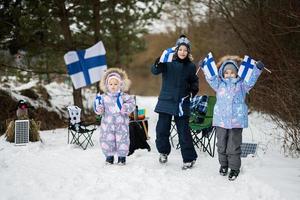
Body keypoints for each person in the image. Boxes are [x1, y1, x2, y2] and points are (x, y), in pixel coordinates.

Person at [201, 56, 264, 180]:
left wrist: (257, 69)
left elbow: (251, 80)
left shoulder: (242, 85)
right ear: (222, 73)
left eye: (232, 72)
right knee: (221, 145)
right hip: (221, 121)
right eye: (226, 72)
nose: (229, 75)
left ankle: (234, 168)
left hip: (236, 121)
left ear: (236, 73)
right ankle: (223, 165)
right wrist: (204, 67)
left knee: (233, 146)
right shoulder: (219, 84)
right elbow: (210, 77)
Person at [151, 35, 199, 170]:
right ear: (176, 50)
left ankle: (189, 158)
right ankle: (163, 152)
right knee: (162, 129)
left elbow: (194, 81)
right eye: (180, 49)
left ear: (188, 52)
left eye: (185, 50)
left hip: (181, 103)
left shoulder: (190, 66)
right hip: (166, 101)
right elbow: (155, 71)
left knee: (183, 132)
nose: (182, 52)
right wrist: (158, 62)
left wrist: (192, 89)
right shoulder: (167, 62)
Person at [93, 68, 135, 165]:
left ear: (120, 84)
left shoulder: (124, 96)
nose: (113, 86)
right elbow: (99, 107)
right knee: (107, 140)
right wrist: (99, 109)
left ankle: (122, 157)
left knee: (122, 140)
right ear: (107, 85)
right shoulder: (104, 97)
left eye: (115, 84)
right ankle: (109, 156)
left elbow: (132, 103)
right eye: (111, 84)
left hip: (121, 124)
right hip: (107, 125)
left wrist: (126, 107)